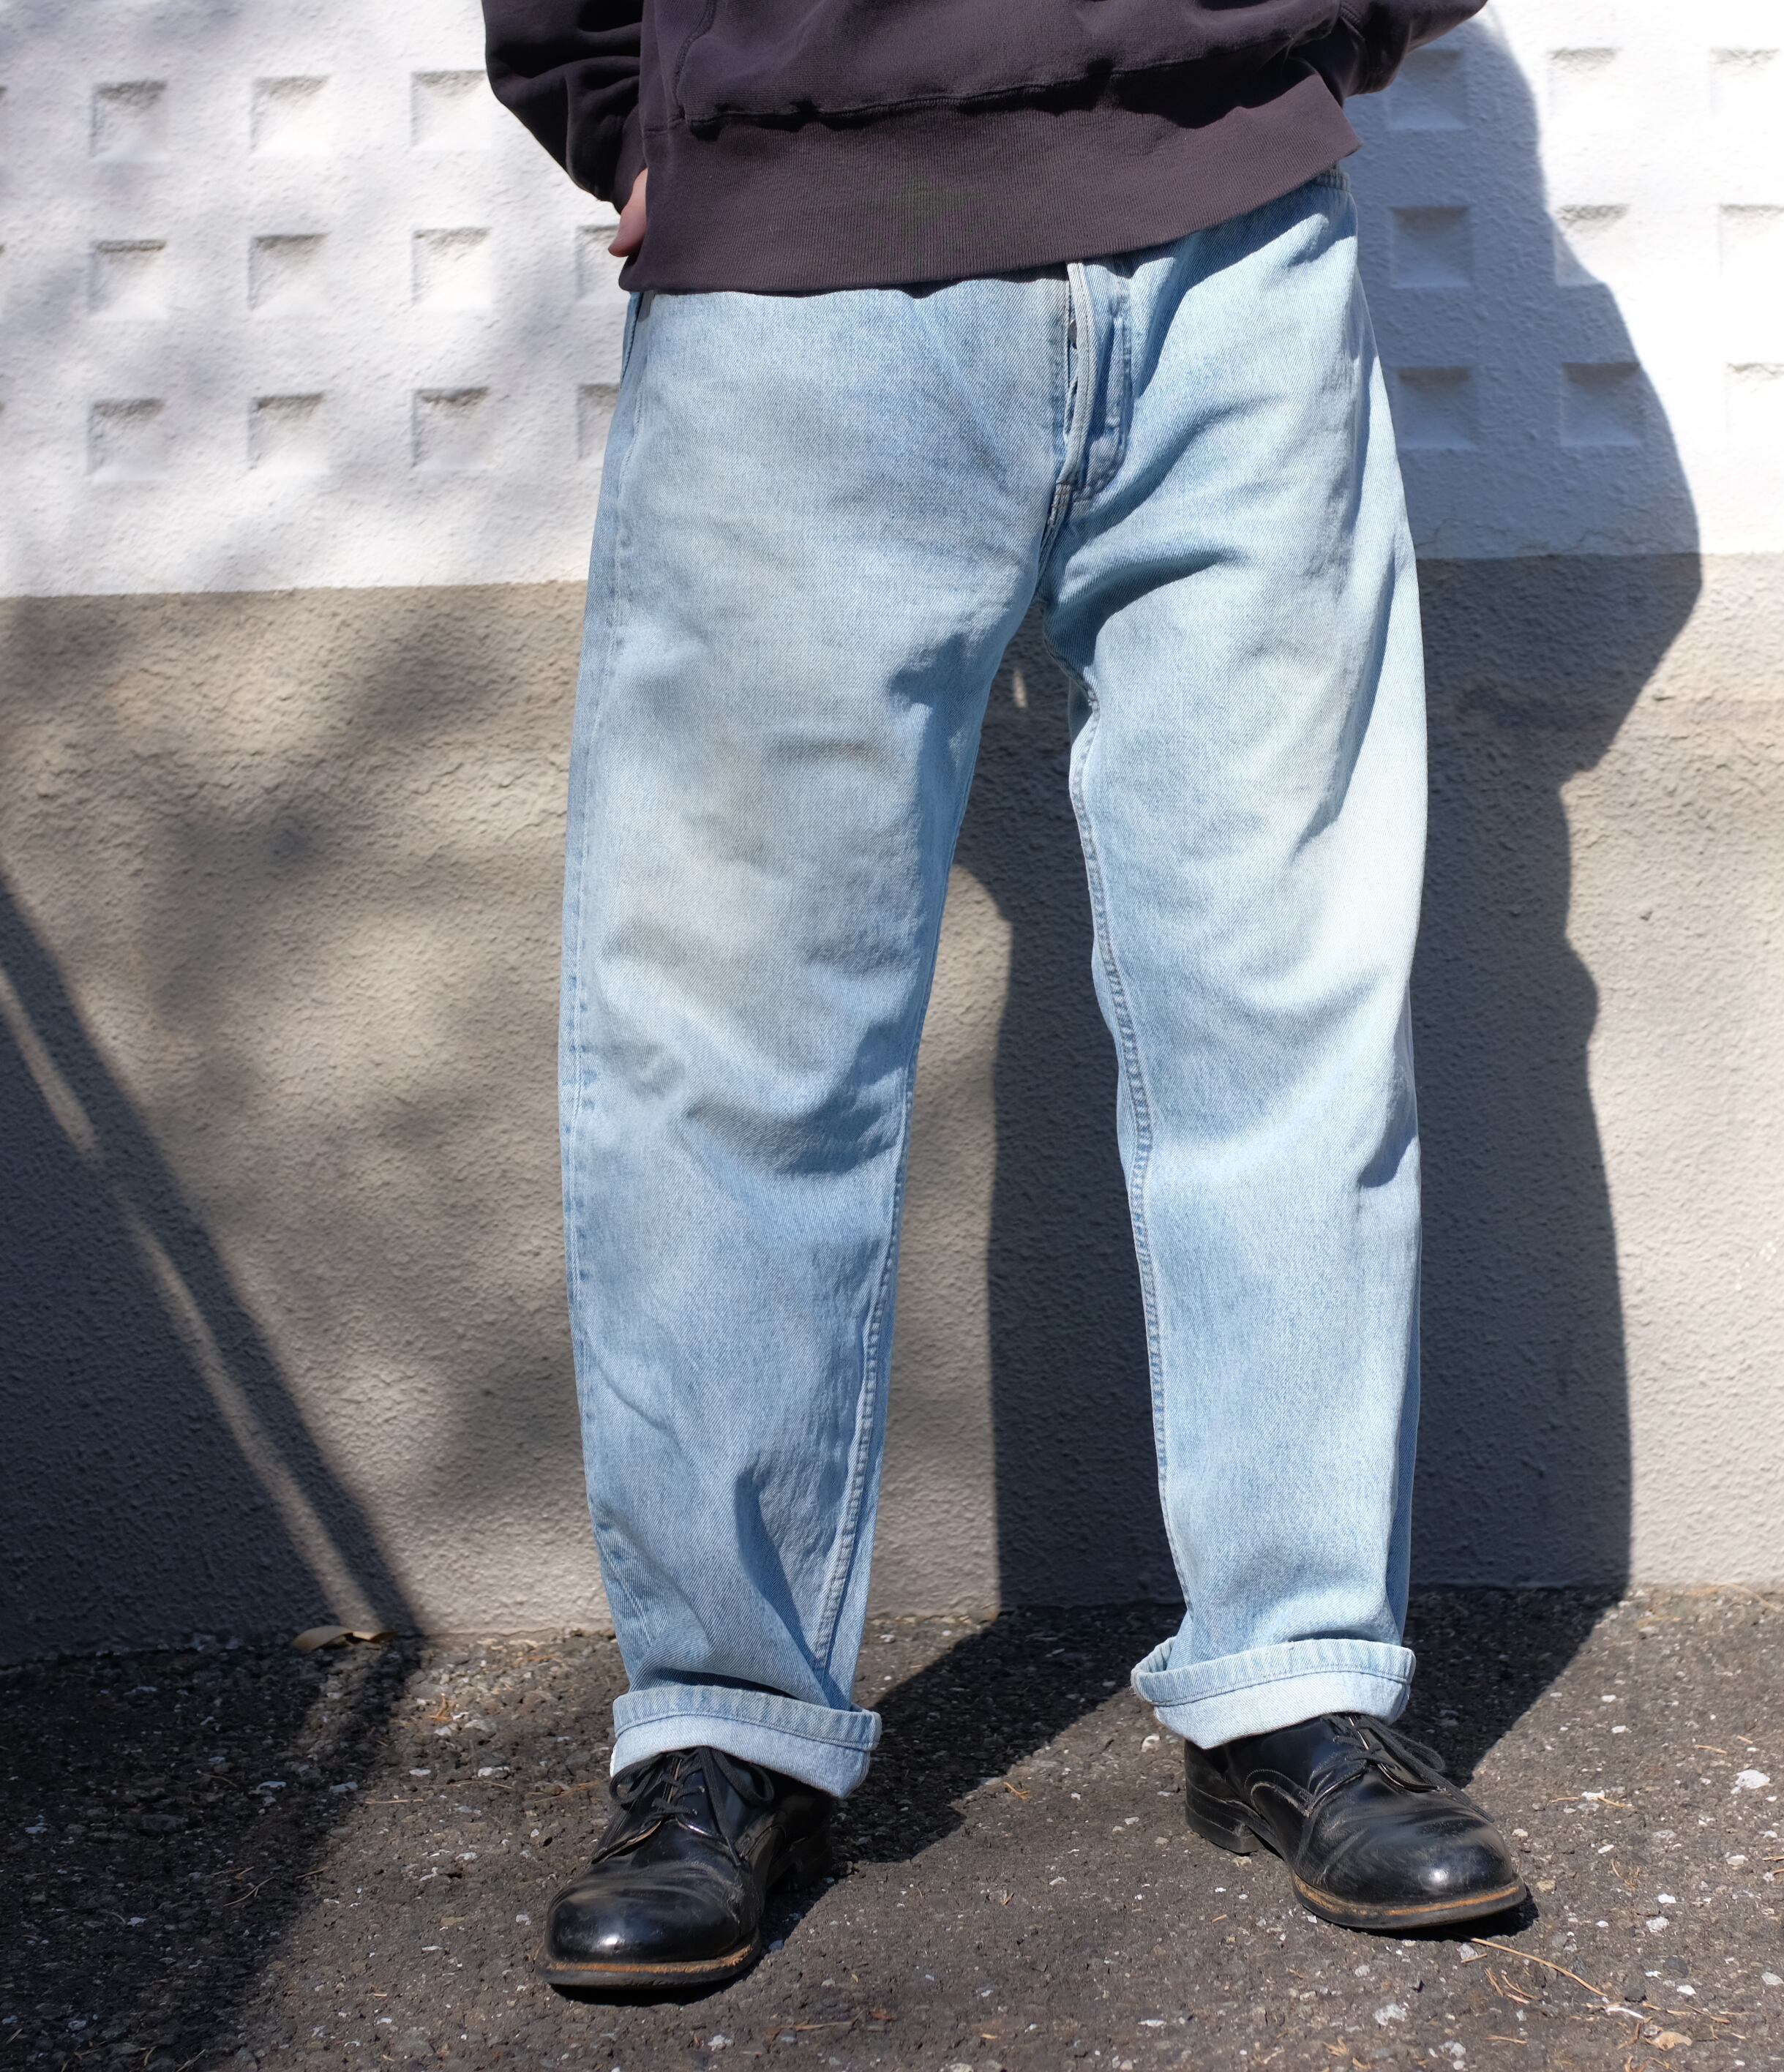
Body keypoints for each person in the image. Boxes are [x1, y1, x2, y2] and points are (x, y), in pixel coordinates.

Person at [482, 0, 1525, 1992]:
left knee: (1282, 1001)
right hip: (800, 258)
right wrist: (644, 112)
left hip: (1235, 243)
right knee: (733, 1033)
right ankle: (723, 1724)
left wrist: (1292, 51)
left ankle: (1301, 1680)